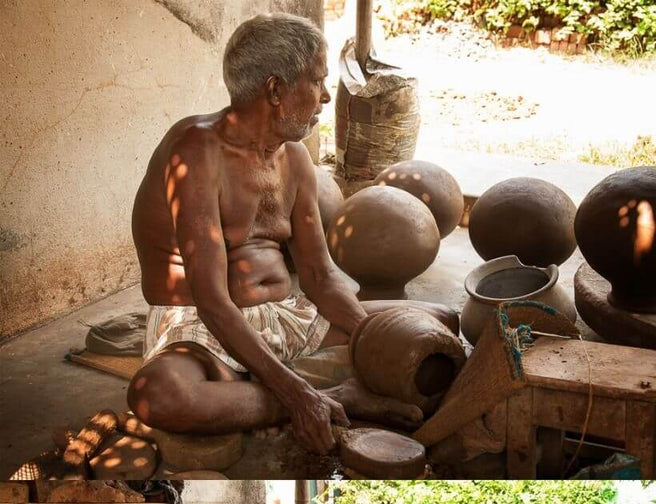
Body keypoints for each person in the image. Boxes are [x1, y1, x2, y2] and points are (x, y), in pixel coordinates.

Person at [127, 13, 452, 454]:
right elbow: (211, 300)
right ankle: (333, 396)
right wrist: (299, 396)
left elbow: (319, 276)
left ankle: (269, 394)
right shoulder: (197, 150)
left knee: (436, 323)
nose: (324, 97)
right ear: (276, 90)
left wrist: (378, 341)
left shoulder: (295, 158)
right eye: (317, 82)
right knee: (159, 397)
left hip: (289, 317)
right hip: (204, 327)